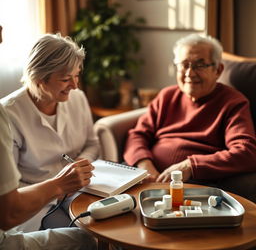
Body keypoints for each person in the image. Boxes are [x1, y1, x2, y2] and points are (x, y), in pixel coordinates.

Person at [0, 26, 97, 250]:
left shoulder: (77, 98)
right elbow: (10, 191)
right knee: (84, 236)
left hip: (78, 191)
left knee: (110, 225)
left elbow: (92, 144)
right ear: (39, 78)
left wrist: (80, 166)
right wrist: (60, 183)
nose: (75, 85)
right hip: (37, 204)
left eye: (77, 76)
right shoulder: (9, 114)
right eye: (65, 79)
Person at [124, 33, 256, 187]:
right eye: (184, 64)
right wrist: (145, 165)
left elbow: (246, 151)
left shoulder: (233, 102)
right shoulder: (167, 96)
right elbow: (137, 135)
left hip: (194, 183)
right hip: (150, 177)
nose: (190, 73)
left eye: (200, 65)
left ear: (218, 70)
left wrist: (191, 166)